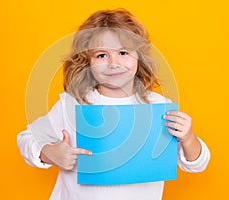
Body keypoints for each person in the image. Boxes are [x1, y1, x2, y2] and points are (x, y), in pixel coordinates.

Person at [17, 8, 210, 200]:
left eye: (123, 52)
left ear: (139, 57)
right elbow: (26, 139)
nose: (113, 63)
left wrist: (188, 138)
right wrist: (49, 153)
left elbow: (197, 164)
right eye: (101, 55)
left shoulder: (157, 106)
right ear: (87, 62)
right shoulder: (72, 103)